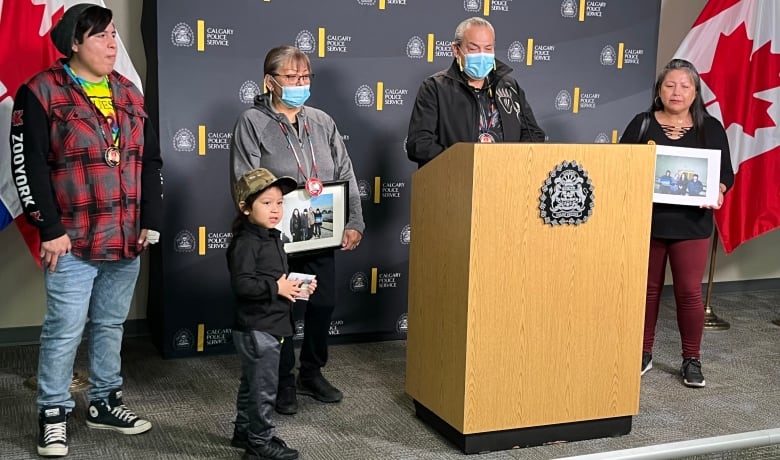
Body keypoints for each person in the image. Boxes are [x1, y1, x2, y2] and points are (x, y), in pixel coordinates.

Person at [9, 4, 162, 456]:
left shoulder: (130, 93)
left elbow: (149, 161)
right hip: (70, 239)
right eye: (101, 36)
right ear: (74, 41)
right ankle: (53, 412)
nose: (113, 43)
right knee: (64, 330)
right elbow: (29, 165)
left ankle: (104, 401)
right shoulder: (39, 92)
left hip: (126, 234)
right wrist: (48, 227)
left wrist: (150, 220)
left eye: (115, 35)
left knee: (110, 324)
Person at [230, 45, 365, 416]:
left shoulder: (321, 120)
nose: (300, 83)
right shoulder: (252, 122)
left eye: (305, 77)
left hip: (320, 229)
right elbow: (246, 179)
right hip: (277, 234)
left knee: (321, 302)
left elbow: (345, 172)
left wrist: (354, 220)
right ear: (270, 81)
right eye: (291, 77)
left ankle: (311, 372)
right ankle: (284, 380)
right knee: (282, 306)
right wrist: (265, 218)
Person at [620, 59, 734, 388]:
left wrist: (720, 189)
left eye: (685, 86)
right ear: (659, 91)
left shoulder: (710, 128)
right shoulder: (642, 124)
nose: (677, 92)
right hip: (647, 222)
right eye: (670, 85)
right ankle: (642, 353)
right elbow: (621, 164)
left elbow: (725, 173)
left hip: (692, 225)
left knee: (688, 294)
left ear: (695, 92)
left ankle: (691, 359)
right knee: (647, 292)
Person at [227, 167, 316, 460]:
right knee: (264, 389)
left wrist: (295, 286)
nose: (275, 209)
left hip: (271, 324)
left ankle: (244, 432)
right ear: (245, 208)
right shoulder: (246, 243)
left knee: (251, 384)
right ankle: (259, 442)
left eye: (279, 202)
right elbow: (243, 285)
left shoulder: (272, 236)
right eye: (266, 203)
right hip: (257, 328)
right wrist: (276, 287)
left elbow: (276, 278)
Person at [405, 17, 545, 168]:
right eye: (473, 49)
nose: (482, 55)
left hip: (506, 179)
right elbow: (419, 145)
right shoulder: (434, 88)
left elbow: (533, 134)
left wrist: (511, 160)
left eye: (488, 48)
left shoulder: (509, 86)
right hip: (456, 181)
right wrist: (466, 162)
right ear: (456, 50)